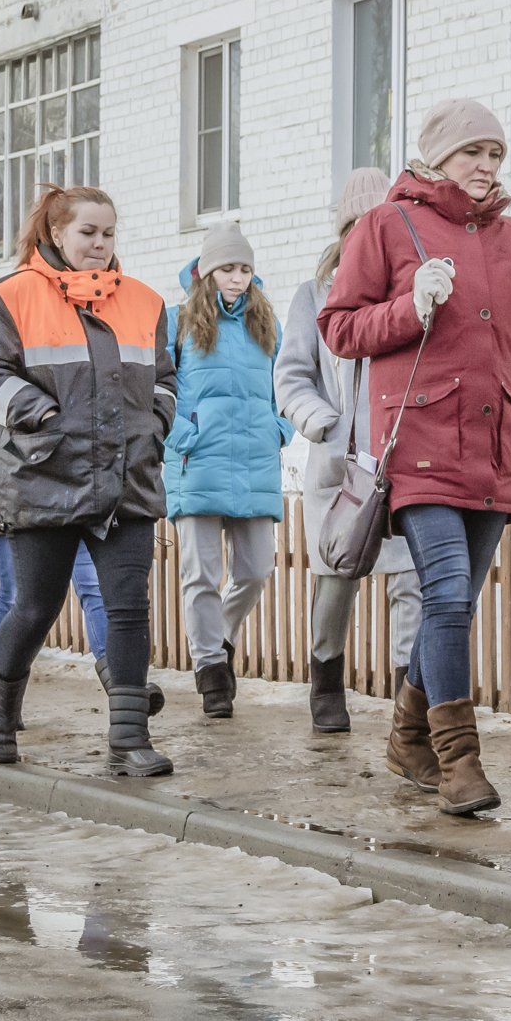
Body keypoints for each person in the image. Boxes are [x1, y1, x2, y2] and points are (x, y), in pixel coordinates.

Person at [319, 98, 511, 817]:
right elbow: (340, 328)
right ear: (436, 154)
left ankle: (409, 737)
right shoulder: (386, 224)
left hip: (496, 445)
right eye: (473, 151)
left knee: (457, 605)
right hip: (420, 445)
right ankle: (459, 761)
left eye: (496, 154)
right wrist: (410, 306)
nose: (486, 165)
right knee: (443, 595)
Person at [0, 183, 176, 777]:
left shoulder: (146, 303)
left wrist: (155, 425)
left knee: (128, 608)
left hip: (126, 480)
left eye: (108, 234)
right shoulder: (10, 297)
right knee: (33, 607)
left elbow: (165, 380)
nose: (100, 244)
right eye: (87, 233)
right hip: (40, 479)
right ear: (56, 233)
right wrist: (41, 417)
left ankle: (129, 742)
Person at [276, 168, 423, 735]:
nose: (370, 232)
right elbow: (291, 376)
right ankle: (326, 679)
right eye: (359, 223)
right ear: (344, 231)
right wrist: (323, 421)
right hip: (341, 465)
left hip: (405, 458)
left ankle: (410, 698)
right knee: (338, 576)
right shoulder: (315, 296)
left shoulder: (412, 294)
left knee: (411, 577)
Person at [165, 222, 289, 720]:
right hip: (198, 460)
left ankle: (220, 639)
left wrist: (279, 429)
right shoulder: (177, 321)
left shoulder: (267, 324)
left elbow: (284, 383)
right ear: (205, 271)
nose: (236, 278)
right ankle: (211, 668)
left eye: (243, 269)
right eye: (227, 269)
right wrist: (180, 435)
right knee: (201, 574)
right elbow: (159, 387)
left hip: (255, 460)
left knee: (257, 570)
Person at [0, 533, 165, 720]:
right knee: (13, 595)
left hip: (72, 512)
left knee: (93, 587)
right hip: (13, 515)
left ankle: (121, 691)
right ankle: (0, 701)